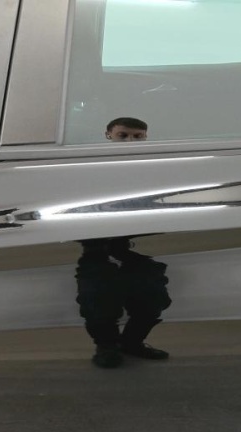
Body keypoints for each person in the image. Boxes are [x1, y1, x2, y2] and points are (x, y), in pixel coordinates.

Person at [75, 117, 171, 368]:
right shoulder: (90, 166)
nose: (130, 141)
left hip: (136, 245)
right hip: (96, 244)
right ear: (108, 135)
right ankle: (106, 348)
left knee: (153, 298)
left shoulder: (155, 168)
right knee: (98, 301)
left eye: (137, 136)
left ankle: (132, 343)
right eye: (123, 135)